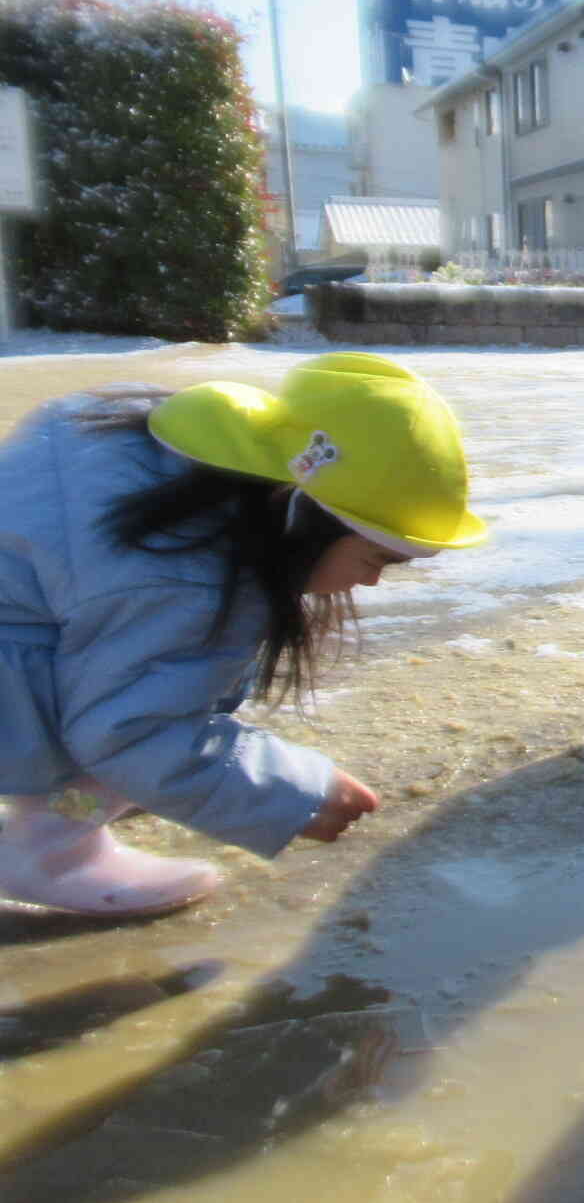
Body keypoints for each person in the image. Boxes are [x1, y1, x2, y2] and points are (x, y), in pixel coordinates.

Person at [0, 351, 487, 918]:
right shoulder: (178, 579)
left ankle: (71, 801)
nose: (372, 581)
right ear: (305, 520)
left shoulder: (162, 450)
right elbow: (133, 732)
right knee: (131, 741)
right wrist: (297, 792)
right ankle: (52, 849)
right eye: (376, 557)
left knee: (140, 705)